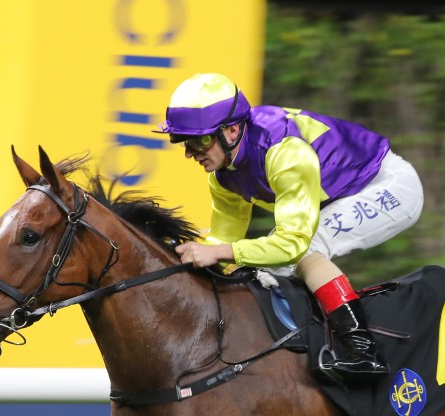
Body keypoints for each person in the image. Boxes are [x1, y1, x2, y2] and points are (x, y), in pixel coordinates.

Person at [159, 72, 424, 379]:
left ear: (231, 131)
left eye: (199, 140)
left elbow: (291, 244)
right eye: (182, 142)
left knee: (302, 251)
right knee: (262, 267)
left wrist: (219, 251)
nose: (190, 152)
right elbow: (223, 242)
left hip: (388, 186)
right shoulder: (222, 176)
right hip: (338, 198)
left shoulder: (284, 151)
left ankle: (363, 350)